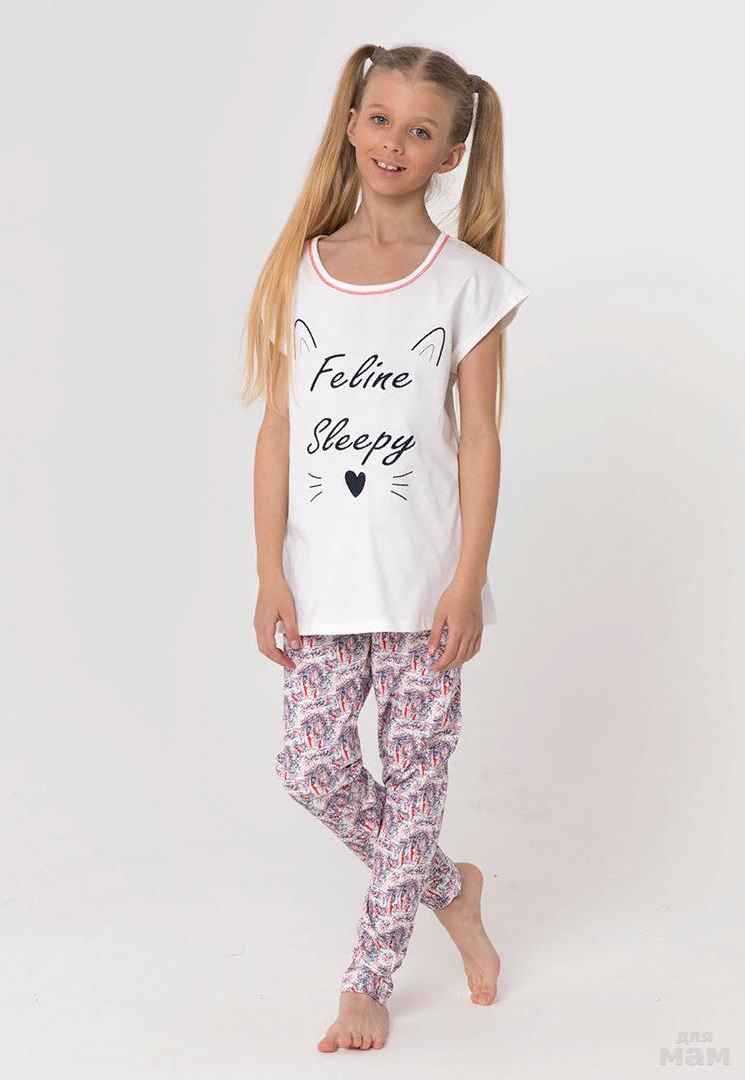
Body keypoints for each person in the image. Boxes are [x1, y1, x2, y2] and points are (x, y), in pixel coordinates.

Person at [241, 42, 531, 1053]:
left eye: (420, 130)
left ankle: (368, 980)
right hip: (322, 584)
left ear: (450, 153)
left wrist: (468, 580)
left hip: (423, 586)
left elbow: (482, 439)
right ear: (351, 122)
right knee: (310, 767)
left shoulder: (469, 284)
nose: (393, 142)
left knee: (414, 784)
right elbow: (278, 430)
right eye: (380, 119)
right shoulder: (302, 268)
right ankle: (449, 886)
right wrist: (269, 570)